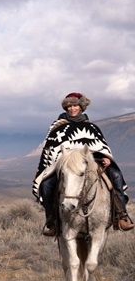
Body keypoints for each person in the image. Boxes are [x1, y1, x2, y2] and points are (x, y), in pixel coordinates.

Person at [33, 92, 133, 236]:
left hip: (91, 163)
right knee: (47, 184)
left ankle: (121, 215)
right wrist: (59, 162)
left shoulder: (92, 127)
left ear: (81, 107)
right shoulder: (58, 127)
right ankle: (51, 221)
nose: (72, 109)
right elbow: (50, 150)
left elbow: (100, 147)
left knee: (116, 176)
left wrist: (105, 158)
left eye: (75, 105)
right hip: (64, 165)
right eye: (69, 106)